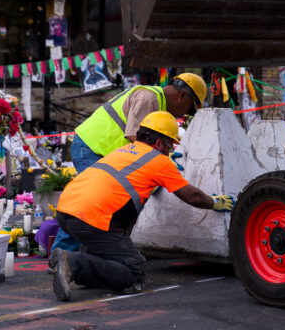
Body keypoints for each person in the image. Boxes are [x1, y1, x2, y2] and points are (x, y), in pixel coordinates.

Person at [51, 111, 234, 301]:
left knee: (112, 253)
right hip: (91, 219)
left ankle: (81, 266)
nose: (169, 151)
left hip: (66, 210)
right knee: (133, 271)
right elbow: (192, 196)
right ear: (158, 143)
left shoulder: (123, 150)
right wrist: (214, 202)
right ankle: (73, 264)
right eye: (169, 145)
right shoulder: (160, 161)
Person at [50, 73, 208, 253]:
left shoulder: (156, 102)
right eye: (189, 109)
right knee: (89, 204)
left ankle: (101, 254)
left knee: (102, 204)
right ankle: (62, 254)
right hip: (92, 148)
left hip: (101, 151)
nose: (186, 114)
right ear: (182, 96)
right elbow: (137, 139)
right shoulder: (149, 99)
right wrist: (160, 162)